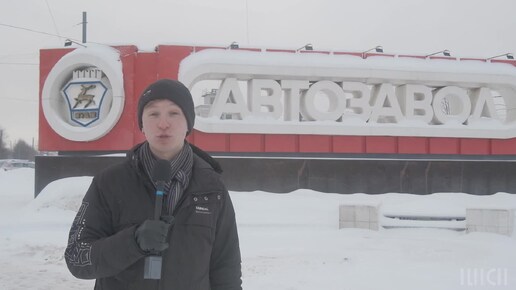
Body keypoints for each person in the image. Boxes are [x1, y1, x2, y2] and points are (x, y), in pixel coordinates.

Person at [64, 79, 242, 290]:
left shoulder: (212, 189)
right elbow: (77, 257)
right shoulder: (109, 183)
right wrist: (132, 241)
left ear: (188, 124)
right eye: (153, 113)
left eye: (174, 113)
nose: (163, 123)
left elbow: (226, 271)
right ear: (142, 124)